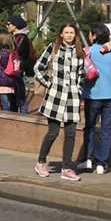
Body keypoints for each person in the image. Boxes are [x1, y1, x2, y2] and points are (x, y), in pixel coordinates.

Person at [34, 23, 85, 181]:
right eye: (66, 32)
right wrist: (48, 82)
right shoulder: (54, 47)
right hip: (55, 96)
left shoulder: (79, 51)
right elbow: (38, 67)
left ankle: (67, 167)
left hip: (72, 97)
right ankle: (41, 162)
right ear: (61, 34)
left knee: (70, 134)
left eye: (72, 33)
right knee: (53, 132)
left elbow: (81, 74)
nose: (69, 35)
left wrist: (79, 89)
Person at [79, 23, 111, 174]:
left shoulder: (87, 52)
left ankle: (87, 159)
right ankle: (102, 163)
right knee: (106, 129)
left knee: (90, 127)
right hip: (110, 96)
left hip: (92, 95)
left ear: (94, 36)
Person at [6, 14, 35, 113]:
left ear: (15, 25)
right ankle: (14, 113)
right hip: (15, 69)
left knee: (20, 94)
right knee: (14, 95)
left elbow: (15, 51)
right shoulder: (15, 37)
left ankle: (24, 114)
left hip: (18, 70)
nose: (7, 26)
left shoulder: (22, 38)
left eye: (9, 24)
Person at [0, 32, 19, 112]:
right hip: (12, 81)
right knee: (11, 101)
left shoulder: (0, 53)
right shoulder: (13, 53)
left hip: (2, 82)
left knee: (4, 103)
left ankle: (5, 117)